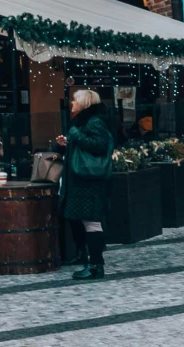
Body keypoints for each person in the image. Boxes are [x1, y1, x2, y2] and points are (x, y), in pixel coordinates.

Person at [55, 87, 116, 281]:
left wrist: (74, 135)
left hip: (88, 181)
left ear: (85, 103)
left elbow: (100, 146)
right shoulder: (85, 122)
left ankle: (96, 265)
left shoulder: (94, 122)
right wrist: (67, 143)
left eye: (75, 100)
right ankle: (87, 259)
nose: (71, 103)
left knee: (91, 222)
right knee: (82, 219)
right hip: (81, 181)